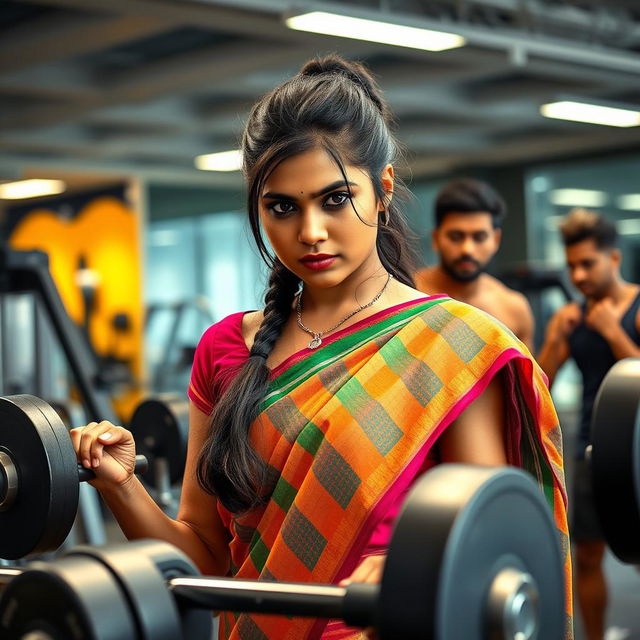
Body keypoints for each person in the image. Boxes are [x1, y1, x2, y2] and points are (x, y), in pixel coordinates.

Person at [71, 55, 572, 640]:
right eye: (282, 207)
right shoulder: (225, 348)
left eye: (335, 200)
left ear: (383, 190)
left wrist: (419, 567)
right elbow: (204, 563)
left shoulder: (454, 346)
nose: (310, 232)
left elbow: (494, 552)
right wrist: (121, 484)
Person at [538, 209, 640, 640]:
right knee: (588, 554)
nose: (578, 275)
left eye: (588, 264)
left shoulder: (636, 308)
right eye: (572, 265)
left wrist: (613, 332)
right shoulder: (572, 318)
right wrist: (556, 341)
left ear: (613, 259)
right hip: (589, 449)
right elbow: (539, 384)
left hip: (638, 448)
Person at [414, 178, 535, 351]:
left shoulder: (514, 308)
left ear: (496, 240)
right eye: (456, 236)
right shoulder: (406, 293)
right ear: (436, 238)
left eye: (479, 237)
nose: (467, 249)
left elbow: (526, 378)